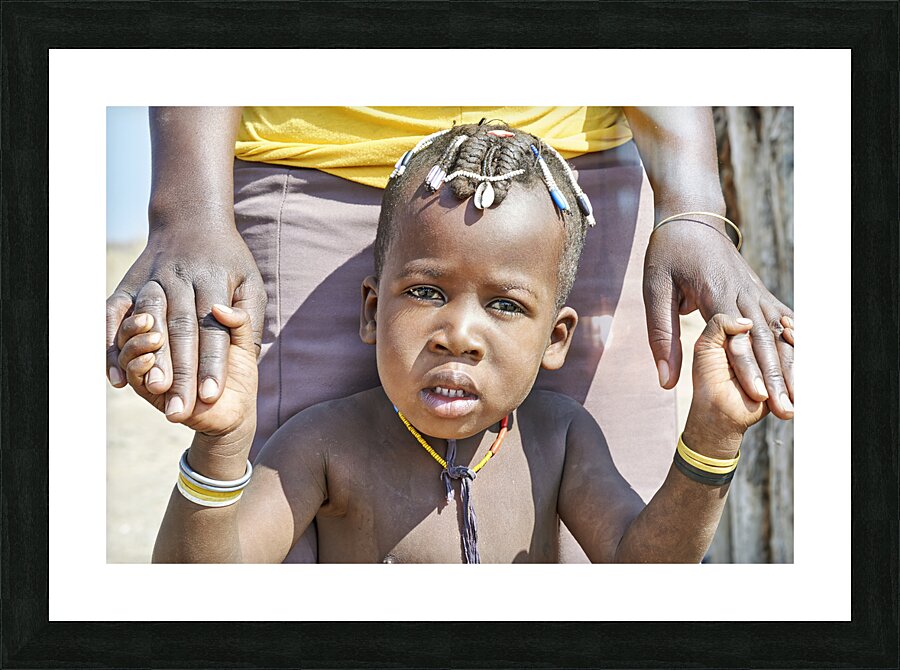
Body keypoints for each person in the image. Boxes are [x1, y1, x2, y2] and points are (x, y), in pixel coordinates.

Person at [107, 106, 794, 561]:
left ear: (558, 337)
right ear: (371, 310)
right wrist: (220, 445)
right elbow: (196, 602)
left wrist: (711, 438)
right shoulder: (321, 447)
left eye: (504, 306)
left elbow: (644, 584)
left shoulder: (563, 441)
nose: (458, 335)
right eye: (427, 292)